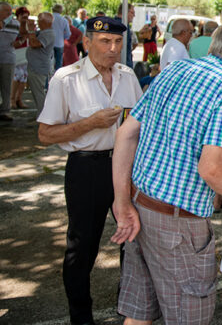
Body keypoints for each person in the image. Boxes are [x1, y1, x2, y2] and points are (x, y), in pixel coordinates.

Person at [110, 16, 222, 325]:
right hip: (177, 225)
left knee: (139, 313)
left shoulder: (176, 70)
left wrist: (122, 201)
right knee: (188, 316)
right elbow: (211, 167)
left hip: (141, 206)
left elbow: (125, 134)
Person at [37, 16, 143, 325]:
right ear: (87, 43)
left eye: (118, 43)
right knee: (82, 246)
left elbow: (139, 123)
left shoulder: (127, 76)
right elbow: (45, 134)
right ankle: (81, 317)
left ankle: (132, 309)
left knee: (133, 241)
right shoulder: (66, 79)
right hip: (87, 168)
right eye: (104, 42)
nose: (112, 49)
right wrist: (90, 124)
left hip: (126, 166)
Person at [26, 12, 55, 116]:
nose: (38, 23)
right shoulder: (44, 32)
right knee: (37, 92)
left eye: (39, 21)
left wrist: (30, 29)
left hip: (38, 67)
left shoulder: (48, 33)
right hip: (36, 66)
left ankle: (44, 116)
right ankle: (43, 114)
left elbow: (34, 44)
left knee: (39, 94)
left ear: (44, 22)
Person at [0, 1, 19, 121]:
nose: (9, 13)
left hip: (8, 58)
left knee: (6, 86)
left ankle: (5, 111)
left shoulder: (14, 23)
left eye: (10, 10)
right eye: (6, 11)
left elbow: (14, 37)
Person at [11, 7, 31, 109]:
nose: (25, 18)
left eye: (27, 16)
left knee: (23, 77)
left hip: (25, 54)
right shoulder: (14, 25)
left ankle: (19, 99)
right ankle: (12, 99)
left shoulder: (29, 25)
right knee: (15, 77)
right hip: (16, 53)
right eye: (23, 15)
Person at [51, 4, 72, 71]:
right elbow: (68, 34)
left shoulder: (49, 18)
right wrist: (63, 37)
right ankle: (57, 78)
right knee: (58, 62)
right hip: (59, 43)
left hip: (49, 43)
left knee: (48, 62)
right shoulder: (64, 20)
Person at [115, 3, 135, 68]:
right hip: (122, 65)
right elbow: (118, 48)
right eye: (132, 12)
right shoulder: (121, 25)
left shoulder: (118, 23)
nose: (134, 15)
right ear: (125, 11)